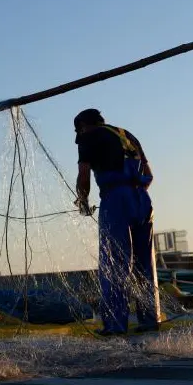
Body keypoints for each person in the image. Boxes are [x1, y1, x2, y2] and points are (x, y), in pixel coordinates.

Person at [73, 108, 160, 335]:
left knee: (114, 262)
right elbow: (149, 173)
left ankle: (115, 325)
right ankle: (150, 320)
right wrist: (134, 190)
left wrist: (82, 201)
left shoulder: (88, 137)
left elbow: (84, 175)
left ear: (83, 126)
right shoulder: (127, 135)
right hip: (142, 198)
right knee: (145, 264)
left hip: (115, 199)